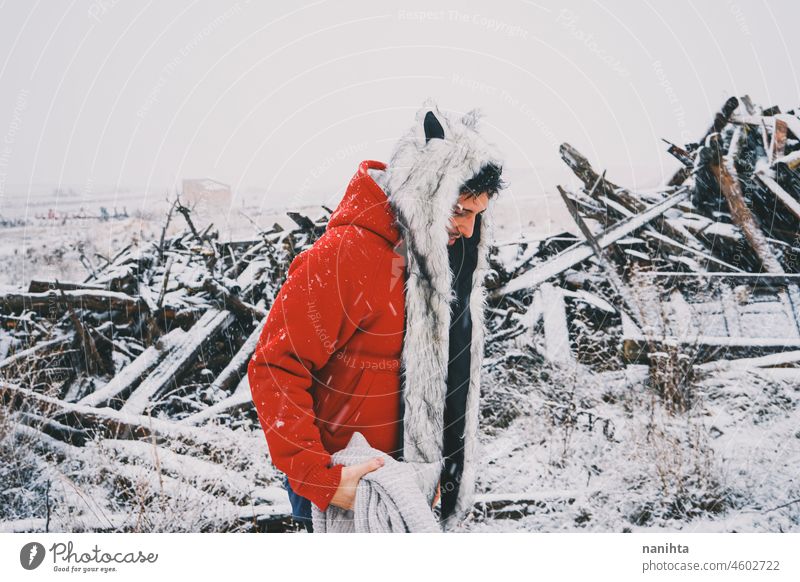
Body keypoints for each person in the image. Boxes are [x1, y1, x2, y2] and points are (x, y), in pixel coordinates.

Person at [247, 100, 504, 532]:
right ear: (425, 193)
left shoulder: (441, 265)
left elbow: (445, 374)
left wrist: (437, 462)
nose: (467, 230)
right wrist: (322, 479)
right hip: (343, 486)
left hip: (406, 487)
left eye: (477, 215)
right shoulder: (343, 256)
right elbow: (275, 365)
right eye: (459, 211)